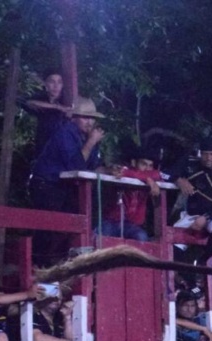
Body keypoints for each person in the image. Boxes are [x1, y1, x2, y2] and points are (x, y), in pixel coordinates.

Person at [29, 96, 106, 263]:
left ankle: (56, 268)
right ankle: (37, 268)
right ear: (74, 118)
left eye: (92, 118)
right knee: (48, 231)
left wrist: (111, 170)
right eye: (86, 117)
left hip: (64, 189)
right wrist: (92, 141)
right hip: (47, 186)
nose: (90, 122)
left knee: (65, 231)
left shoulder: (85, 138)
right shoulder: (65, 132)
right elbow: (76, 164)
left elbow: (93, 166)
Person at [164, 136, 212, 265]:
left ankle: (202, 261)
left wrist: (206, 217)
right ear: (200, 153)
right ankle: (186, 281)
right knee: (172, 248)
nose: (208, 158)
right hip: (191, 214)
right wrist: (179, 180)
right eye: (205, 154)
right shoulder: (189, 162)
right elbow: (163, 173)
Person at [100, 146, 163, 241]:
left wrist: (148, 178)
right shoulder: (122, 171)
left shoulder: (151, 176)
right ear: (134, 163)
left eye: (150, 166)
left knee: (141, 237)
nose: (147, 169)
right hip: (111, 222)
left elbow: (157, 174)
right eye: (144, 164)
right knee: (100, 239)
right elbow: (120, 171)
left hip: (131, 225)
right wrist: (148, 178)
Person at [22, 69, 70, 157]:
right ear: (45, 84)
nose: (56, 86)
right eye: (52, 82)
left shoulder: (67, 100)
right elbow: (28, 102)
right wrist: (57, 107)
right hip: (43, 145)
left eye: (59, 82)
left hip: (63, 147)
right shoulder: (41, 98)